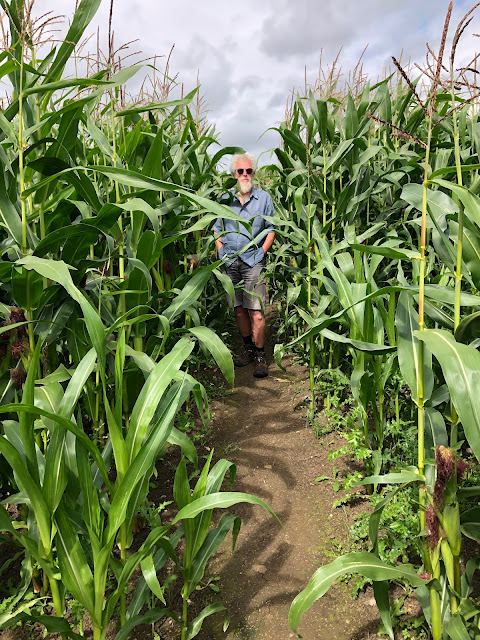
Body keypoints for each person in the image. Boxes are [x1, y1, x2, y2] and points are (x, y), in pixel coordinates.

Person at [213, 153, 276, 378]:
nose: (245, 175)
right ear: (234, 174)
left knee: (256, 312)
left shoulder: (264, 199)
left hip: (253, 261)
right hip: (230, 261)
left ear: (253, 173)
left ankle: (260, 355)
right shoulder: (224, 199)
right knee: (239, 309)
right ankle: (248, 349)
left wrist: (261, 252)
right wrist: (221, 251)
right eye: (241, 171)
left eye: (249, 171)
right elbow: (217, 228)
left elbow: (271, 228)